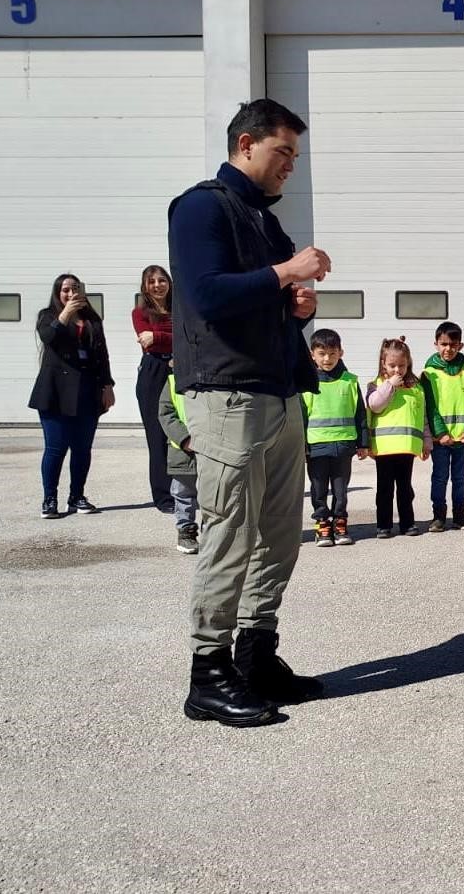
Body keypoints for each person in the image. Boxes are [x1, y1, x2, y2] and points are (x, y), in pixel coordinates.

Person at [168, 97, 328, 728]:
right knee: (230, 531)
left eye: (294, 153)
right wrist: (287, 270)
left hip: (279, 392)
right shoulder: (202, 206)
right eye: (282, 151)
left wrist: (297, 306)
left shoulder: (265, 220)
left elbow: (263, 295)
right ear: (245, 146)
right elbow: (205, 293)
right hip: (229, 394)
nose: (290, 164)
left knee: (281, 532)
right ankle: (208, 673)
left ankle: (257, 652)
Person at [29, 273, 114, 519]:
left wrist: (107, 385)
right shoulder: (48, 316)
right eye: (65, 289)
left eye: (75, 289)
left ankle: (77, 496)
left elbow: (102, 355)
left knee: (82, 449)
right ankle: (49, 499)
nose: (70, 293)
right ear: (58, 293)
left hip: (87, 391)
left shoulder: (91, 320)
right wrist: (65, 313)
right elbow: (49, 338)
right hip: (55, 392)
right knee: (55, 448)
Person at [303, 328, 369, 547]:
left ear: (341, 352)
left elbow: (360, 413)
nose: (327, 358)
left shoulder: (350, 381)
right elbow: (302, 418)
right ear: (312, 354)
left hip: (343, 446)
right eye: (321, 353)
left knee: (341, 490)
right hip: (316, 447)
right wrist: (301, 446)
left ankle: (340, 522)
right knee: (318, 489)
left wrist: (363, 443)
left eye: (332, 353)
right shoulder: (306, 384)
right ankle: (322, 524)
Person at [366, 337, 431, 538]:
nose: (397, 370)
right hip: (384, 448)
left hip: (406, 447)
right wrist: (390, 385)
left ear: (408, 363)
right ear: (383, 364)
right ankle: (383, 525)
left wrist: (426, 442)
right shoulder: (376, 385)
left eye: (401, 366)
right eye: (392, 365)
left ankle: (407, 523)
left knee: (405, 489)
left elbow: (423, 417)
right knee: (384, 489)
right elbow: (375, 405)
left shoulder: (416, 388)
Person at [424, 321, 464, 533]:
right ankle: (438, 516)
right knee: (439, 477)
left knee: (460, 477)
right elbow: (430, 407)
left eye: (453, 344)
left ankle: (460, 514)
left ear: (461, 345)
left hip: (462, 439)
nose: (448, 349)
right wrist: (440, 433)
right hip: (442, 440)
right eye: (443, 344)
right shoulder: (428, 374)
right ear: (436, 344)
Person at [132, 264, 175, 513]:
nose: (157, 285)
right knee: (157, 437)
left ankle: (187, 490)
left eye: (161, 280)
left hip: (179, 370)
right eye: (152, 282)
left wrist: (157, 335)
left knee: (182, 433)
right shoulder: (139, 313)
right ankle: (163, 497)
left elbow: (190, 335)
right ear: (145, 287)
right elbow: (146, 341)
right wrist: (164, 337)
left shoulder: (181, 309)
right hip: (153, 373)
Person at [156, 361, 200, 555]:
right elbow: (166, 414)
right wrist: (184, 439)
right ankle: (186, 532)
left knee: (213, 494)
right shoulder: (173, 382)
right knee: (184, 494)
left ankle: (213, 534)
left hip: (210, 449)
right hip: (183, 452)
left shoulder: (213, 381)